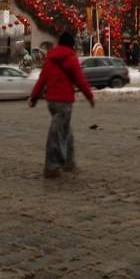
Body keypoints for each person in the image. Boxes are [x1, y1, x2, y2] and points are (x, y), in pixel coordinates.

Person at [29, 31, 94, 178]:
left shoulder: (50, 59)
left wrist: (34, 97)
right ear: (71, 44)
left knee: (66, 133)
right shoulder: (71, 59)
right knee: (57, 134)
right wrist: (89, 96)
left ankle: (69, 163)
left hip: (51, 101)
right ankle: (51, 167)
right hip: (64, 102)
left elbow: (41, 80)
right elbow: (80, 80)